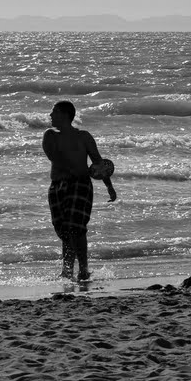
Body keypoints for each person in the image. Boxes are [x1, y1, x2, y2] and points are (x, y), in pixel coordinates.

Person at [42, 100, 109, 282]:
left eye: (54, 111)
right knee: (63, 229)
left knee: (76, 229)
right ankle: (70, 270)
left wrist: (109, 186)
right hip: (57, 186)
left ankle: (80, 270)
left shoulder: (84, 137)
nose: (50, 115)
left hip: (80, 184)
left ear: (65, 115)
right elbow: (55, 158)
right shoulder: (49, 136)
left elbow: (98, 163)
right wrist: (75, 169)